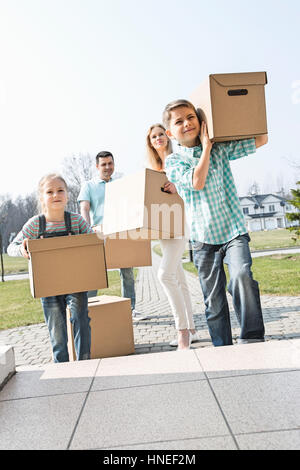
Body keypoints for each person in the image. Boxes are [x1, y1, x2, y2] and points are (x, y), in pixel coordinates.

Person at [163, 99, 267, 347]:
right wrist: (207, 148)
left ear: (200, 120)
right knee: (214, 301)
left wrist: (245, 110)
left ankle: (252, 339)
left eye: (191, 117)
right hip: (203, 239)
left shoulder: (221, 148)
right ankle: (222, 349)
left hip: (233, 231)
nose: (187, 123)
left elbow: (261, 139)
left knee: (242, 275)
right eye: (179, 121)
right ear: (170, 133)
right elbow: (197, 182)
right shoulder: (174, 162)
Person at [7, 173, 92, 363]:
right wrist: (22, 248)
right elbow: (11, 247)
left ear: (67, 195)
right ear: (42, 197)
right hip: (48, 284)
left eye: (60, 190)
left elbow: (93, 241)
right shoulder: (36, 224)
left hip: (75, 281)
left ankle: (86, 362)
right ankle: (61, 367)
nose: (56, 195)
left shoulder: (76, 221)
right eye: (50, 192)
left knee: (80, 319)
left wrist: (97, 238)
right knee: (57, 329)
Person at [146, 123, 200, 349]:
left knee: (164, 275)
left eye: (161, 134)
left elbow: (194, 186)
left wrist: (177, 188)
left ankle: (183, 334)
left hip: (180, 223)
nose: (158, 138)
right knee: (179, 279)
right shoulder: (152, 168)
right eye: (153, 137)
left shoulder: (178, 160)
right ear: (150, 142)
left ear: (167, 137)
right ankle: (192, 329)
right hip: (163, 226)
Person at [78, 151, 148, 321]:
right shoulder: (89, 185)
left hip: (121, 232)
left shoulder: (121, 183)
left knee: (128, 273)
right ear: (97, 166)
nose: (108, 167)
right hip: (99, 233)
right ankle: (88, 311)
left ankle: (130, 310)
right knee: (95, 275)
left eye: (110, 163)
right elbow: (85, 208)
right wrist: (88, 230)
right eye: (104, 164)